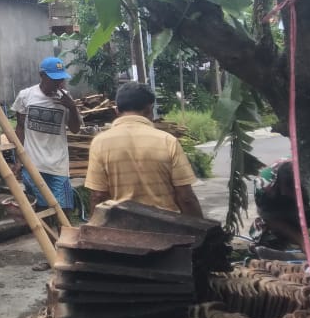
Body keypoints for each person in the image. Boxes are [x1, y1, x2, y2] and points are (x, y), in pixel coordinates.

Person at [84, 82, 203, 217]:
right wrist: (204, 233)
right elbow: (186, 197)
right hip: (167, 229)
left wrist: (95, 230)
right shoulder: (167, 141)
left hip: (121, 230)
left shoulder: (100, 143)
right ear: (149, 109)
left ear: (116, 111)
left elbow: (98, 196)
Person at [12, 57, 82, 215]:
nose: (59, 84)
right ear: (42, 76)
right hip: (33, 164)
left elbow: (75, 129)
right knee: (42, 208)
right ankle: (47, 239)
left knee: (65, 209)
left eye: (61, 79)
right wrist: (18, 159)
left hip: (58, 164)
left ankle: (61, 237)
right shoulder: (26, 96)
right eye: (54, 79)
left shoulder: (65, 99)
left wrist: (72, 107)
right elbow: (20, 128)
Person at [253, 159, 310, 251]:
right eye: (288, 187)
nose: (285, 192)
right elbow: (271, 219)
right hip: (284, 214)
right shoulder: (264, 189)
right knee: (264, 235)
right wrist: (303, 242)